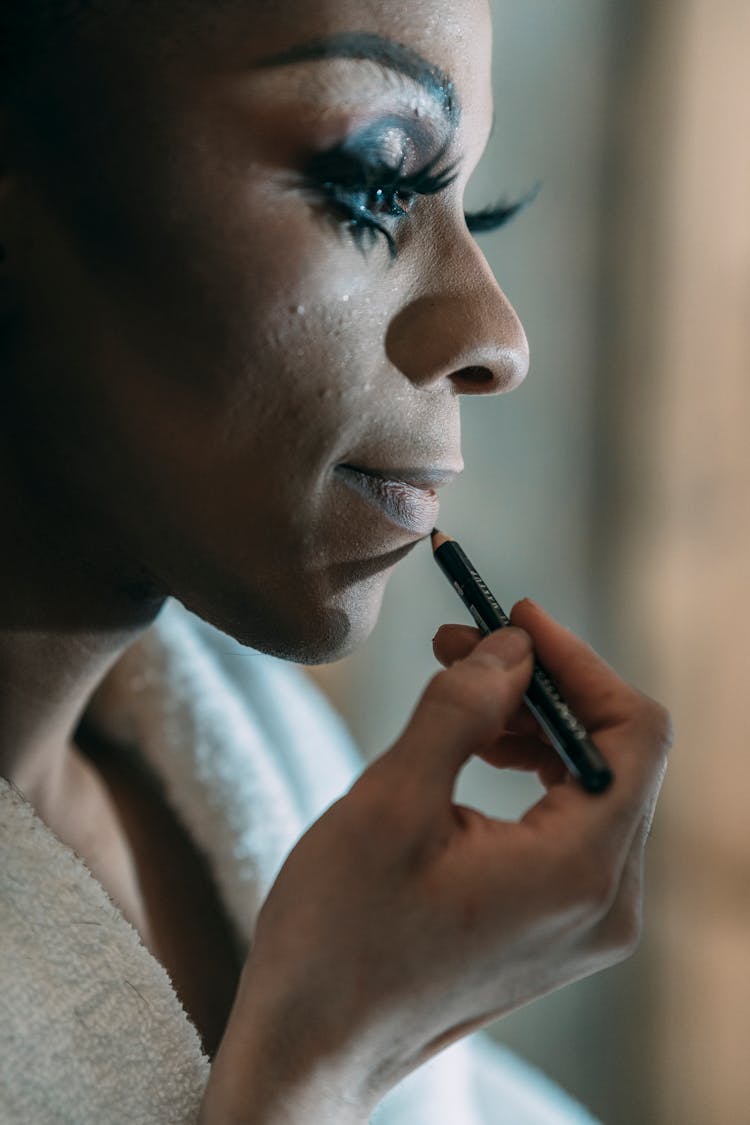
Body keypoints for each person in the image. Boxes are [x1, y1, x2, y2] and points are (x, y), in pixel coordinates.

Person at [0, 1, 672, 1122]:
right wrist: (324, 1066)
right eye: (375, 180)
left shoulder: (269, 752)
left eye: (482, 213)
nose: (500, 338)